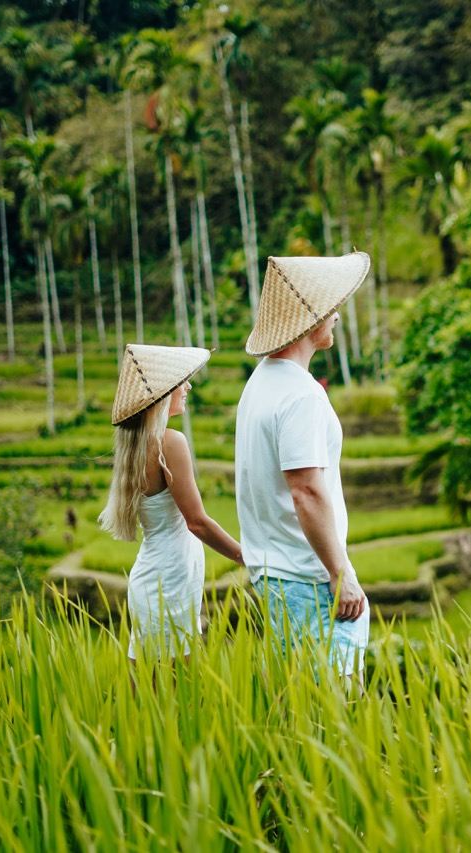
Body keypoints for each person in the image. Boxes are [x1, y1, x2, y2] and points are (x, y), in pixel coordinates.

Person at [235, 252, 371, 678]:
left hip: (276, 576)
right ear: (310, 319)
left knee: (299, 710)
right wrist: (339, 572)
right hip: (307, 579)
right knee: (338, 711)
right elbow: (306, 491)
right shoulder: (301, 396)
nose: (336, 315)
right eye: (330, 307)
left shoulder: (260, 383)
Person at [99, 343, 242, 660]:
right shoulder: (170, 442)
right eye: (182, 381)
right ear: (162, 393)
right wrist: (246, 557)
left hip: (159, 576)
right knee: (175, 689)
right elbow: (197, 522)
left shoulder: (138, 445)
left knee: (153, 694)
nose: (188, 386)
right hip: (169, 581)